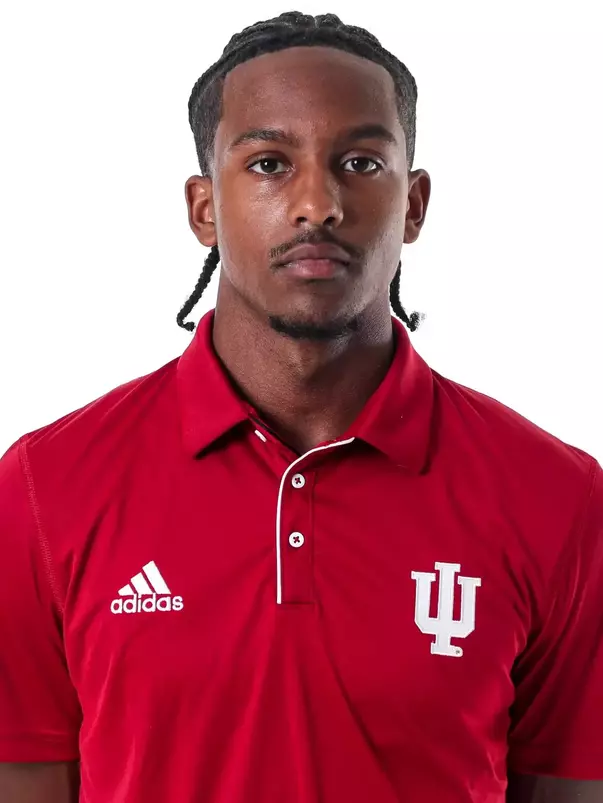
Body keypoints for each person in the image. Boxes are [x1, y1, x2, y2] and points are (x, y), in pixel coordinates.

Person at [0, 10, 601, 803]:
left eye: (358, 161)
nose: (317, 202)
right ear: (203, 207)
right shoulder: (45, 486)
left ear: (414, 205)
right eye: (269, 164)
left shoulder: (556, 496)